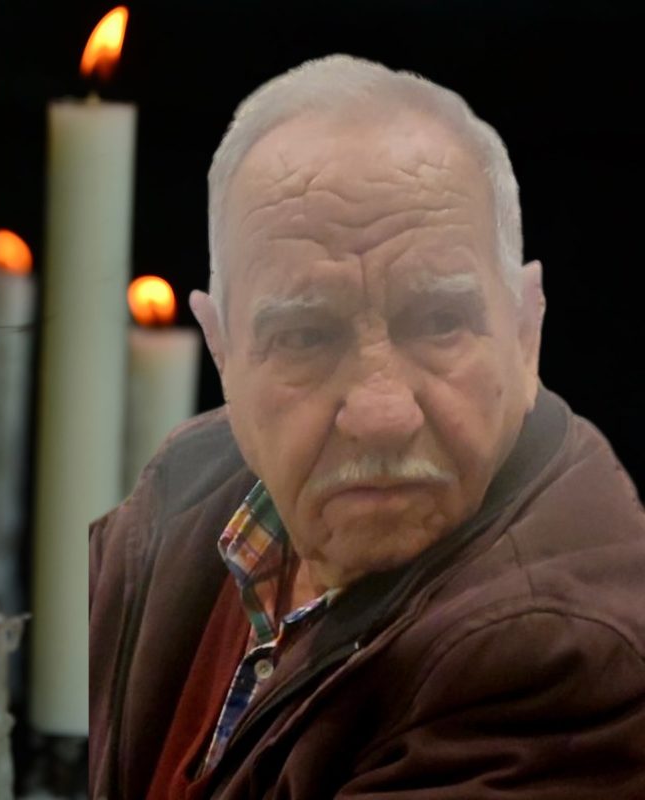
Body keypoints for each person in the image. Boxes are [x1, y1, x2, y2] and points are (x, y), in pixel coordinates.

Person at [89, 54, 645, 799]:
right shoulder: (185, 489)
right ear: (222, 351)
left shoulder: (554, 655)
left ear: (525, 331)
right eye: (306, 337)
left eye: (440, 323)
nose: (382, 415)